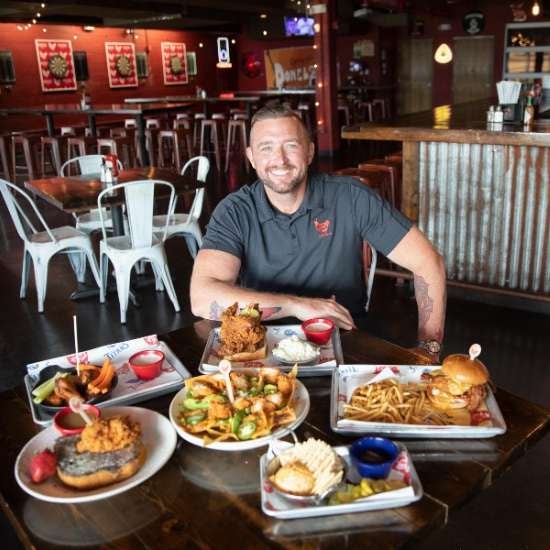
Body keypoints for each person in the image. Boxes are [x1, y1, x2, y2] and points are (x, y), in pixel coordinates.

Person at [190, 102, 446, 360]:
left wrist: (429, 348)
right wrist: (298, 305)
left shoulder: (350, 197)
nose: (279, 159)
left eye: (291, 145)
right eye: (266, 148)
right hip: (260, 348)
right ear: (252, 157)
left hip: (343, 343)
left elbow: (427, 262)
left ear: (310, 152)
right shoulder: (235, 211)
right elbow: (202, 297)